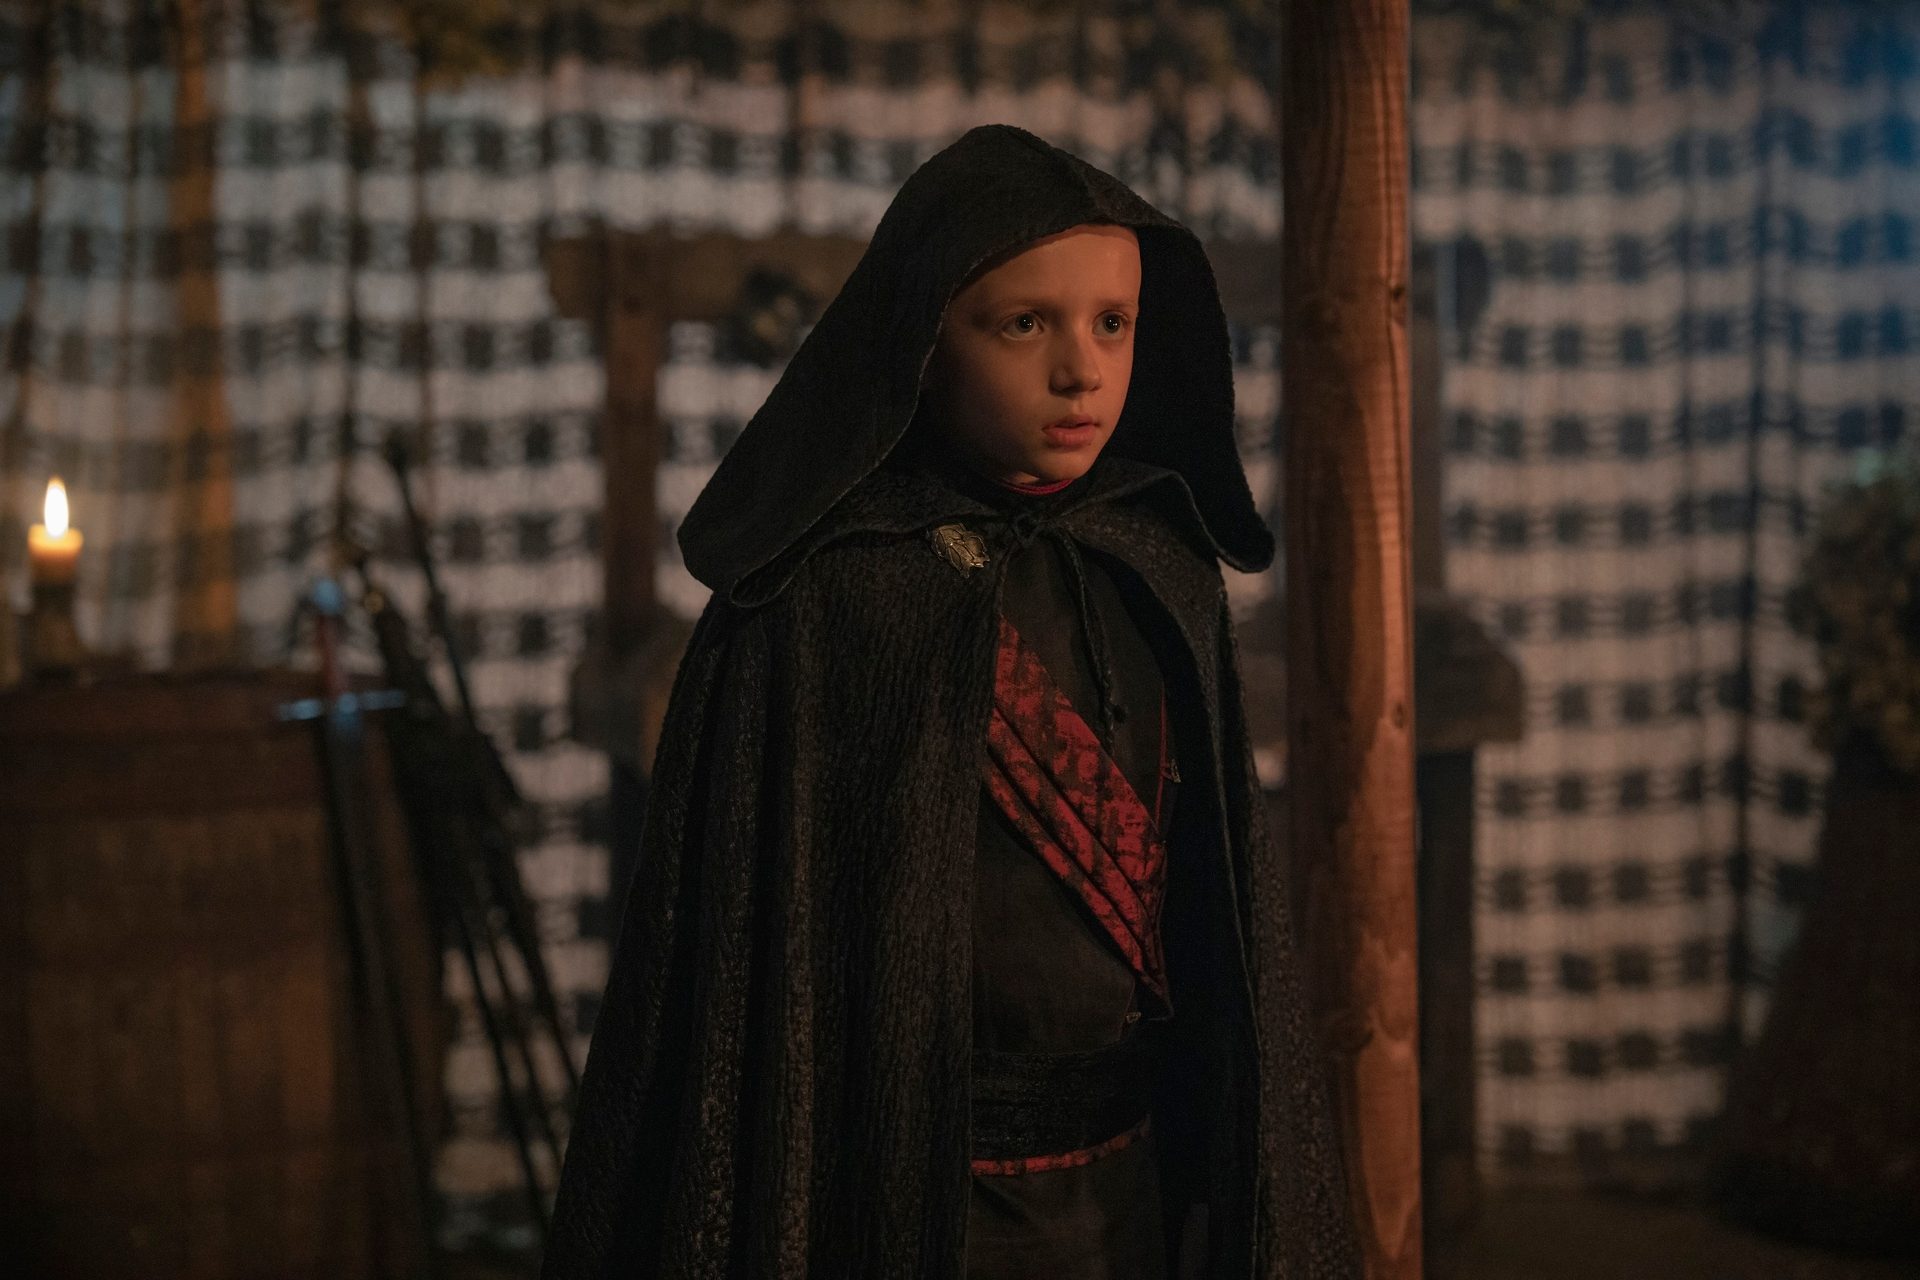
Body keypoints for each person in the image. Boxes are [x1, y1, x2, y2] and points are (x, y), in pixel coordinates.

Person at [543, 123, 1357, 1279]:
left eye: (1112, 323)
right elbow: (742, 979)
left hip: (1127, 1193)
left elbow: (1219, 939)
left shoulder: (1160, 567)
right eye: (1024, 323)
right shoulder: (823, 594)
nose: (1080, 370)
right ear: (925, 340)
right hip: (905, 1204)